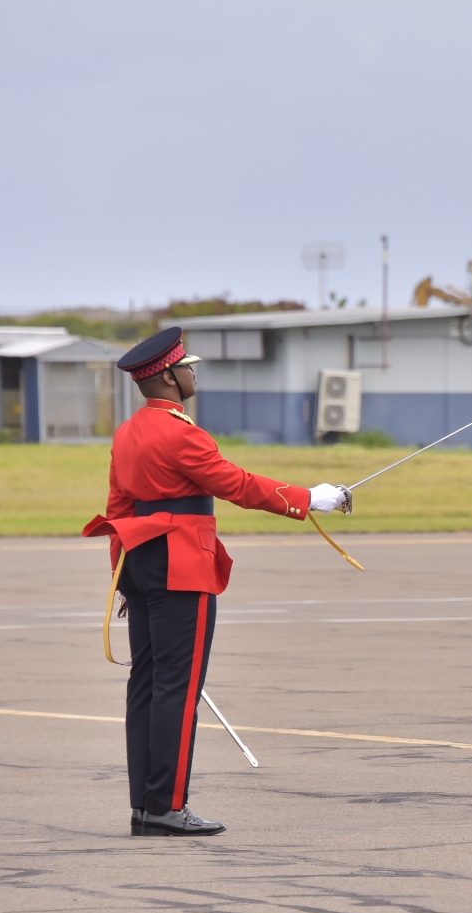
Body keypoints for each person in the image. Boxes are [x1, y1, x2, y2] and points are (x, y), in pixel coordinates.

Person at [83, 328, 349, 836]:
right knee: (177, 690)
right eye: (188, 367)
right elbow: (238, 485)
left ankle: (145, 804)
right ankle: (166, 806)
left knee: (147, 685)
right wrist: (310, 498)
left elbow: (119, 508)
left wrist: (123, 577)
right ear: (167, 376)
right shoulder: (182, 433)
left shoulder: (128, 432)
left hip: (139, 561)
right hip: (180, 564)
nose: (194, 373)